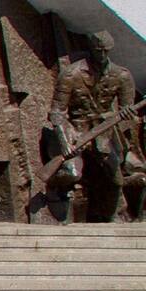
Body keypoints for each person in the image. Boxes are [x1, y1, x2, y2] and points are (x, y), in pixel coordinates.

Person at [43, 30, 141, 223]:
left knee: (116, 180)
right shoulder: (71, 73)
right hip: (75, 130)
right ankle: (54, 187)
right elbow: (57, 112)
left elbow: (129, 114)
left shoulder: (122, 76)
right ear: (91, 49)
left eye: (106, 51)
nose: (102, 55)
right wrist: (65, 142)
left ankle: (108, 217)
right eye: (98, 51)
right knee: (71, 173)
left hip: (103, 132)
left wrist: (124, 117)